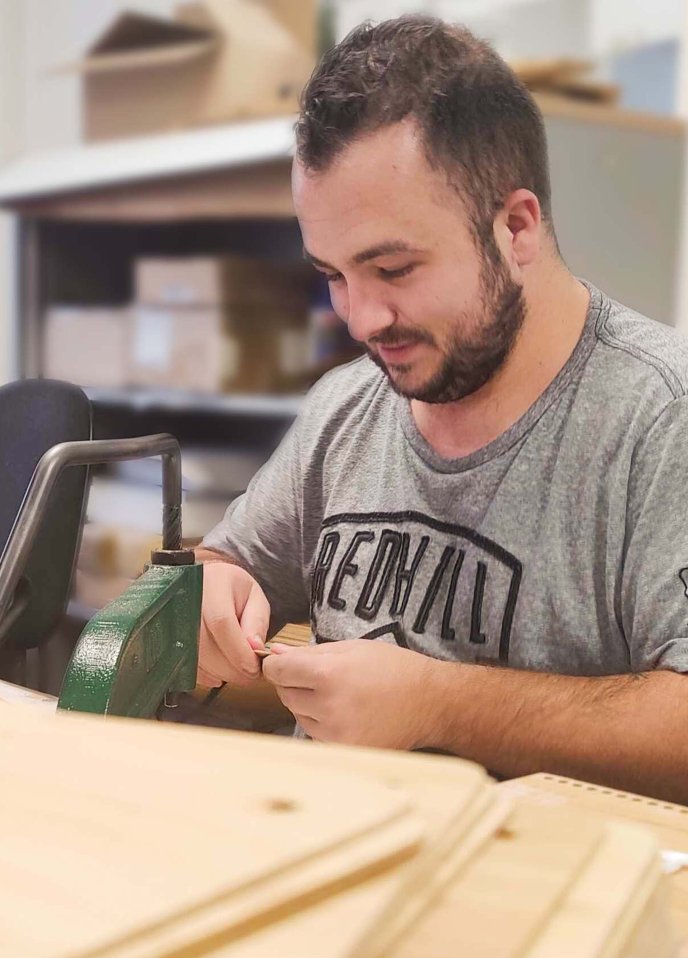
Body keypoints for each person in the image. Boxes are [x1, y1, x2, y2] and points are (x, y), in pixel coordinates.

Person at [197, 15, 688, 801]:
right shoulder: (348, 406)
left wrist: (437, 703)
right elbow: (228, 564)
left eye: (392, 268)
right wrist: (210, 590)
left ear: (517, 227)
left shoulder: (661, 418)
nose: (360, 321)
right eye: (334, 275)